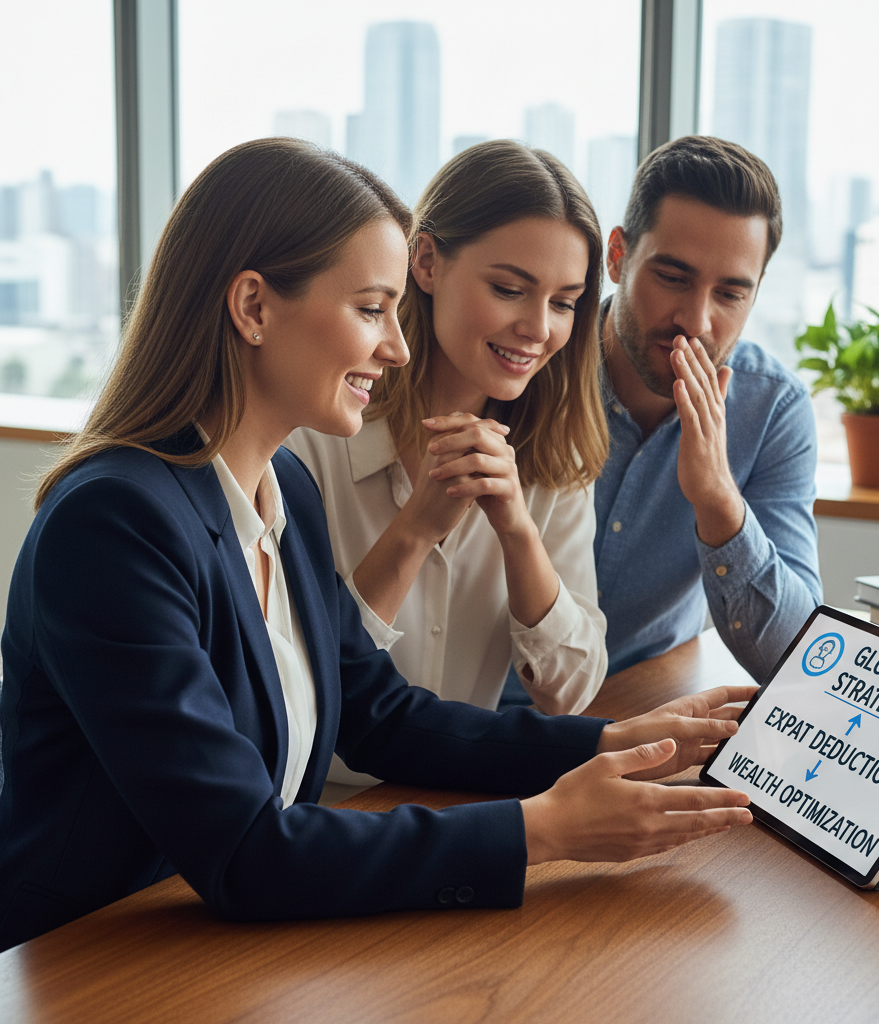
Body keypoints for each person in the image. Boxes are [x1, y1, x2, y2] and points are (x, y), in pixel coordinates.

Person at [0, 138, 754, 952]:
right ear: (253, 308)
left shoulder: (278, 489)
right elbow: (247, 852)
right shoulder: (114, 523)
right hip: (93, 958)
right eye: (370, 309)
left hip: (213, 945)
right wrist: (543, 831)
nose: (397, 346)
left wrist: (612, 741)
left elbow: (379, 716)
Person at [287, 140, 608, 737]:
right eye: (510, 290)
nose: (538, 329)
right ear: (426, 262)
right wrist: (416, 528)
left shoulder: (553, 460)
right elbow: (298, 678)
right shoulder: (313, 435)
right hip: (317, 803)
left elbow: (571, 692)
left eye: (563, 303)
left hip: (447, 794)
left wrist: (517, 530)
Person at [594, 136, 823, 681]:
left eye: (730, 294)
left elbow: (798, 660)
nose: (696, 321)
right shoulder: (532, 358)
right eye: (673, 278)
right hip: (483, 715)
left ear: (757, 291)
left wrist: (719, 501)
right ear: (618, 256)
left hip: (643, 704)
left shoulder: (772, 410)